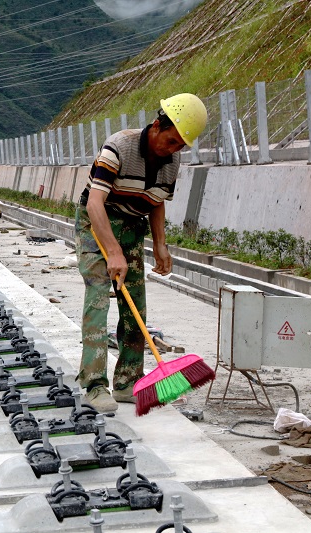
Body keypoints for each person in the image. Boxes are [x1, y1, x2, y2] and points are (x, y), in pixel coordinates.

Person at [75, 93, 207, 413]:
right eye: (171, 140)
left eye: (180, 146)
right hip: (98, 221)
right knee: (97, 295)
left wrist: (160, 244)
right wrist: (112, 251)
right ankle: (94, 385)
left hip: (133, 225)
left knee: (134, 304)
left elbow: (157, 200)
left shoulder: (171, 162)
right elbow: (94, 203)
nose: (173, 149)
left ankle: (128, 381)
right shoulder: (119, 146)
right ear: (157, 126)